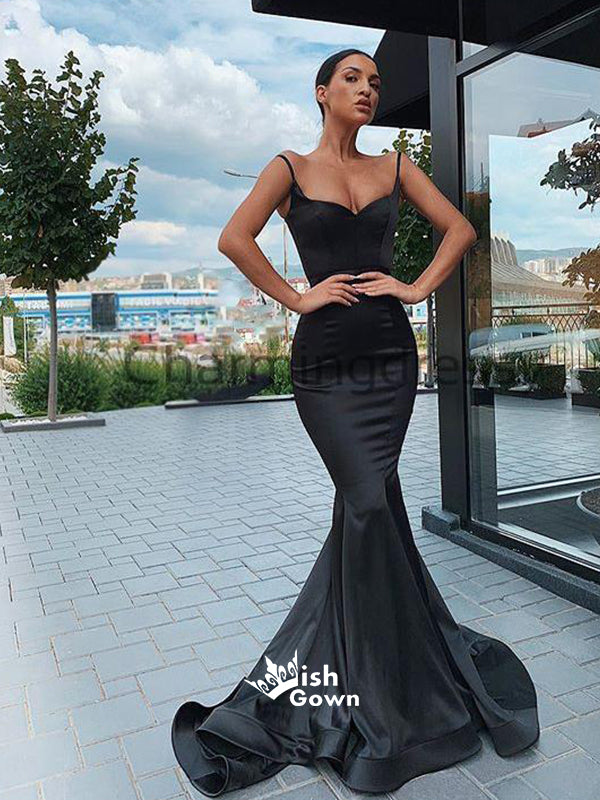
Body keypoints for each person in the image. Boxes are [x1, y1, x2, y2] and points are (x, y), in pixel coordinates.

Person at [171, 48, 540, 797]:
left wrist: (414, 288)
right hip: (324, 366)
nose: (368, 90)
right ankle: (381, 682)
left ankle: (383, 673)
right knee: (369, 504)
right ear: (322, 92)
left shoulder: (397, 167)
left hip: (388, 360)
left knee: (368, 508)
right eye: (353, 79)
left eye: (375, 82)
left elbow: (459, 231)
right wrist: (298, 298)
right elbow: (234, 238)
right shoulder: (288, 167)